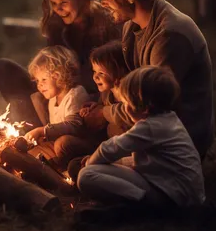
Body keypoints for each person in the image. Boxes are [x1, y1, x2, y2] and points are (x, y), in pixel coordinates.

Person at [90, 0, 214, 158]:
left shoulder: (170, 36)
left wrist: (104, 113)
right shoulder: (131, 26)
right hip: (147, 124)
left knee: (88, 167)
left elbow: (151, 105)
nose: (103, 3)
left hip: (179, 140)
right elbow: (128, 87)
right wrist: (104, 103)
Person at [0, 0, 120, 129]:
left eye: (64, 2)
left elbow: (113, 76)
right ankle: (32, 127)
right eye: (54, 3)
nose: (58, 9)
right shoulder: (57, 27)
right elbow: (51, 66)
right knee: (3, 68)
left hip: (89, 99)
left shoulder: (108, 23)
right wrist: (44, 82)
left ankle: (48, 130)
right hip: (58, 92)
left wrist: (94, 100)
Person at [77, 66, 205, 207]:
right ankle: (137, 200)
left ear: (144, 108)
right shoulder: (169, 120)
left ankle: (141, 203)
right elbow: (148, 161)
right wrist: (116, 163)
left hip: (171, 196)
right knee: (98, 171)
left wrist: (91, 161)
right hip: (183, 193)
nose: (124, 107)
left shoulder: (149, 127)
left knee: (86, 176)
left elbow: (112, 148)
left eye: (125, 103)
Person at [24, 45, 94, 171]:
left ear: (58, 76)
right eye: (37, 81)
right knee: (30, 153)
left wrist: (43, 130)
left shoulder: (75, 94)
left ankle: (58, 170)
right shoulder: (52, 99)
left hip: (81, 144)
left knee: (63, 143)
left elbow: (75, 126)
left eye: (44, 79)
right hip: (56, 144)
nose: (39, 85)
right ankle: (45, 165)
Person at [80, 40, 130, 138]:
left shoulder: (127, 92)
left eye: (101, 73)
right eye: (94, 71)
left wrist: (103, 111)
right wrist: (93, 107)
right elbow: (102, 107)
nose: (95, 77)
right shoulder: (106, 93)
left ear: (118, 72)